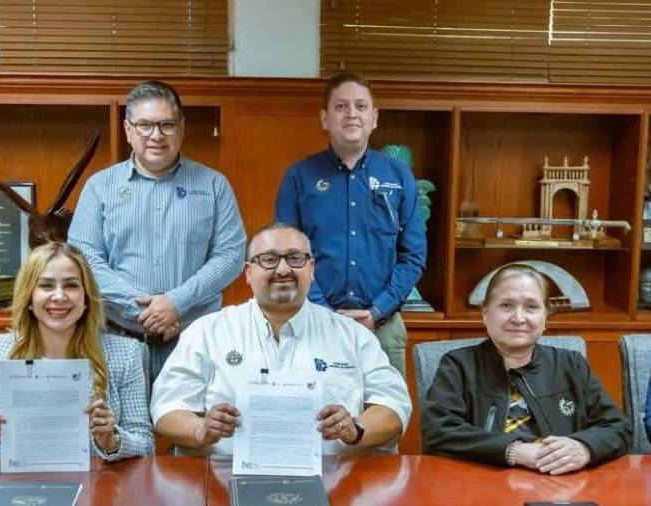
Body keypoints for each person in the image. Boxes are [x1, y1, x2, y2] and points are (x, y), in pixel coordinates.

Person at [151, 222, 410, 455]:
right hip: (223, 478)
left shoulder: (352, 335)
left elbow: (394, 406)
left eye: (295, 258)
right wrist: (199, 429)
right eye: (269, 259)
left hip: (334, 479)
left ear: (311, 269)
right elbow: (167, 408)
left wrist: (356, 428)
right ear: (248, 272)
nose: (283, 269)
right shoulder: (207, 332)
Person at [69, 80, 246, 382]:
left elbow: (230, 256)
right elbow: (84, 259)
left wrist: (177, 302)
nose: (156, 135)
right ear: (128, 130)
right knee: (117, 415)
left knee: (191, 415)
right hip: (117, 341)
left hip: (196, 342)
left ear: (181, 128)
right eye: (145, 125)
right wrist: (147, 312)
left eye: (167, 124)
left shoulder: (214, 185)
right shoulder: (100, 186)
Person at [0, 242, 154, 466]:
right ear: (29, 297)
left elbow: (145, 444)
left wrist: (112, 441)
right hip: (14, 483)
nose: (59, 296)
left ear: (86, 297)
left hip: (98, 483)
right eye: (46, 286)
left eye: (71, 286)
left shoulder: (125, 354)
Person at [276, 72, 426, 377]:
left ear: (374, 117)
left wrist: (377, 311)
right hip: (312, 325)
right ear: (325, 118)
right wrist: (325, 314)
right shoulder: (298, 177)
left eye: (360, 106)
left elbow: (413, 256)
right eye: (341, 106)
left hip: (382, 327)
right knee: (314, 408)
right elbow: (287, 255)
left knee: (382, 407)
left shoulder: (399, 177)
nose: (352, 114)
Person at [421, 264, 629, 474]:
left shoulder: (570, 364)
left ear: (546, 317)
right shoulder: (458, 365)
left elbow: (618, 427)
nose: (518, 318)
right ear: (485, 313)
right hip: (483, 480)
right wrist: (514, 450)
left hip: (560, 483)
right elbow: (438, 432)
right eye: (506, 305)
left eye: (531, 307)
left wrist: (583, 448)